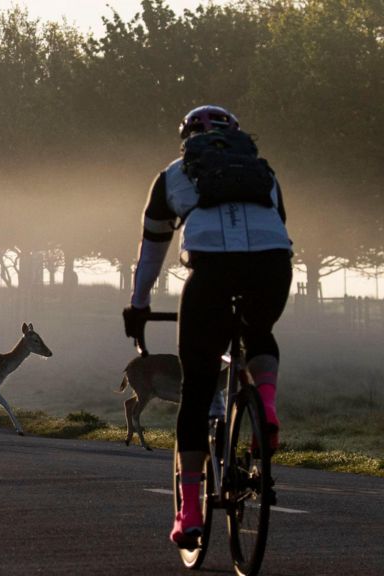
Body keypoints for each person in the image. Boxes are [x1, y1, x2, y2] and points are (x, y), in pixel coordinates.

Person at [123, 105, 292, 549]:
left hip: (211, 271)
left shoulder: (172, 176)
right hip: (273, 266)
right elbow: (277, 227)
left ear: (187, 140)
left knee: (197, 390)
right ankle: (267, 410)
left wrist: (138, 306)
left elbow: (152, 251)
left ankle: (191, 512)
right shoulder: (263, 172)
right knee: (258, 333)